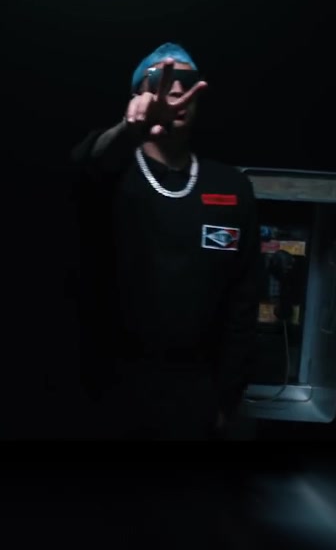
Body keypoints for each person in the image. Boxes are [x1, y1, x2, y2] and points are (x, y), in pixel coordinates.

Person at [70, 42, 259, 440]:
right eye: (158, 80)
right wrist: (128, 131)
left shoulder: (232, 186)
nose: (174, 89)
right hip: (111, 392)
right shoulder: (110, 174)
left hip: (197, 396)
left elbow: (242, 302)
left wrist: (228, 399)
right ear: (137, 96)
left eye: (186, 81)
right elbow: (86, 163)